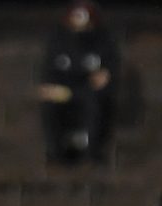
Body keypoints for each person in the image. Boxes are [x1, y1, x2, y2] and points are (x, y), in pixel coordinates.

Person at [38, 1, 119, 166]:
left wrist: (104, 77)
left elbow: (106, 74)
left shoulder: (103, 42)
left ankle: (92, 154)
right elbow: (49, 73)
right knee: (50, 108)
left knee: (94, 107)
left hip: (90, 93)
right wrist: (50, 88)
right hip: (62, 91)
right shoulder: (58, 42)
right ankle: (56, 154)